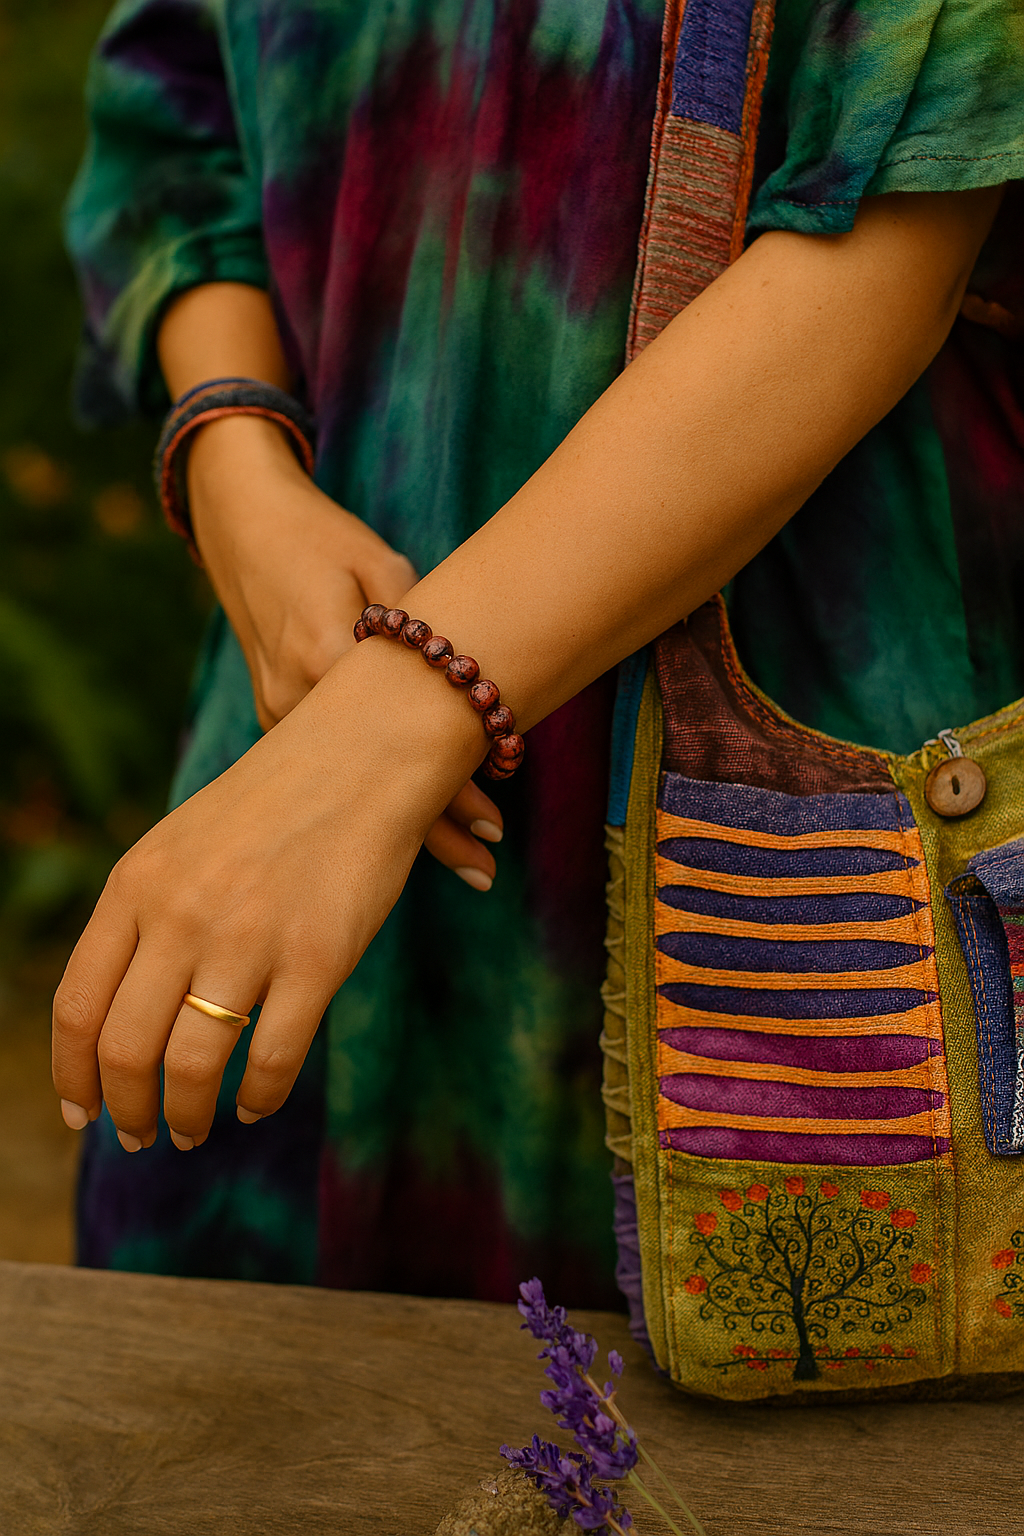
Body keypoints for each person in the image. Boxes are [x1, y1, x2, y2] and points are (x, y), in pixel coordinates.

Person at [55, 0, 1023, 1301]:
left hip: (764, 857)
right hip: (283, 815)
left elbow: (893, 217)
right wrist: (238, 470)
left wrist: (397, 710)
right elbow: (177, 105)